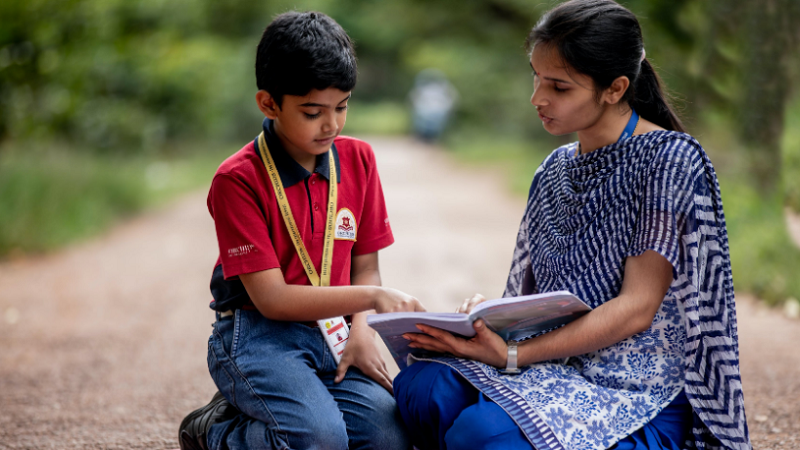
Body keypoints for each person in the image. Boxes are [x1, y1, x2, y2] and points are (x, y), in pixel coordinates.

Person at [393, 1, 751, 449]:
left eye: (558, 86)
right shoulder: (554, 168)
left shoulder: (670, 160)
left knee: (478, 434)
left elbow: (637, 308)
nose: (537, 98)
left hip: (634, 390)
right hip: (554, 363)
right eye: (536, 77)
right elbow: (533, 301)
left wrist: (512, 355)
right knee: (421, 387)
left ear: (615, 88)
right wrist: (486, 322)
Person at [177, 11, 423, 450]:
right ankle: (216, 431)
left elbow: (366, 267)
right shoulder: (238, 179)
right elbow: (271, 300)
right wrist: (371, 301)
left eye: (342, 106)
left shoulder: (359, 160)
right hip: (257, 334)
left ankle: (275, 408)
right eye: (313, 112)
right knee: (319, 439)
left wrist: (363, 332)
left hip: (332, 331)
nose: (332, 124)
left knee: (391, 438)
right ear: (269, 104)